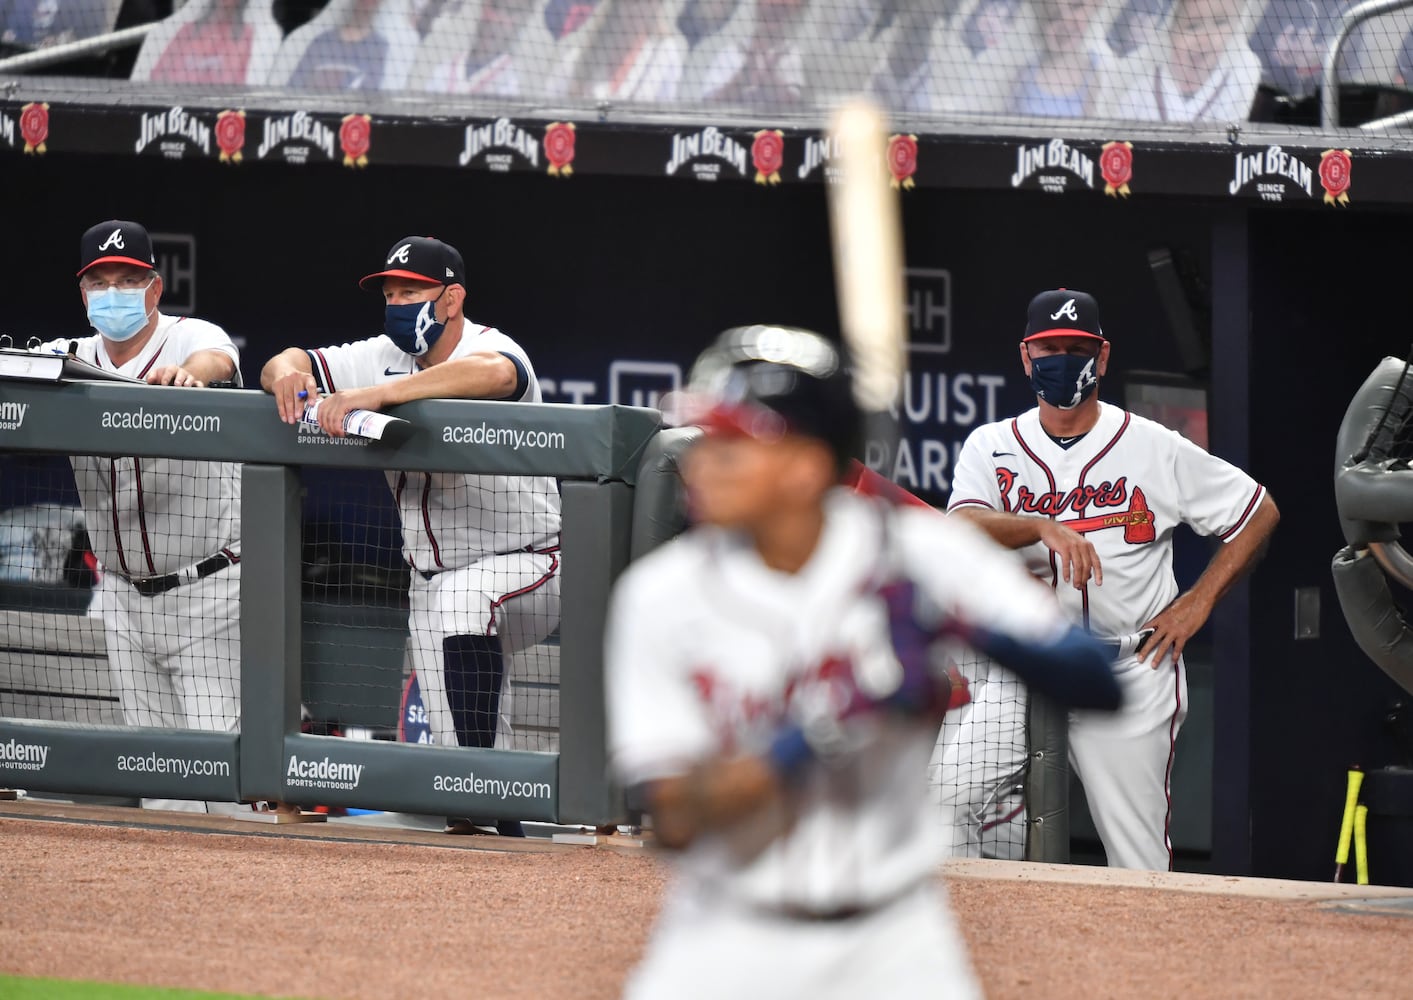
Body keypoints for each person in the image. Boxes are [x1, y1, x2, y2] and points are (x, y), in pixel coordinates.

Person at [605, 325, 1121, 999]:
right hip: (723, 937)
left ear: (805, 467)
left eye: (735, 445)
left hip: (895, 943)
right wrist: (836, 716)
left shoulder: (916, 557)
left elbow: (1098, 683)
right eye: (707, 440)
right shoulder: (661, 596)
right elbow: (674, 818)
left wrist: (966, 625)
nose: (705, 463)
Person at [943, 288, 1279, 870]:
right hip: (1023, 665)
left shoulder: (1154, 446)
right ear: (1026, 356)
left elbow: (1257, 510)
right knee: (947, 803)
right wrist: (1038, 525)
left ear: (1102, 357)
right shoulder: (992, 444)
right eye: (1049, 346)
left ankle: (1149, 964)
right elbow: (963, 525)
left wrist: (1199, 602)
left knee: (1137, 860)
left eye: (1078, 347)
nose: (1062, 358)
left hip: (1127, 666)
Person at [260, 236, 561, 837]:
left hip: (532, 564)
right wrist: (289, 374)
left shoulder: (487, 346)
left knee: (464, 601)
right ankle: (497, 846)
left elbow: (499, 375)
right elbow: (282, 359)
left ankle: (489, 807)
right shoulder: (378, 353)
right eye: (391, 292)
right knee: (457, 767)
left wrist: (379, 394)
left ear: (452, 299)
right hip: (433, 579)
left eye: (412, 291)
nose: (397, 303)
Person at [39, 220, 245, 814]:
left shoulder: (187, 337)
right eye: (99, 281)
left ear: (154, 289)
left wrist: (190, 376)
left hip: (208, 590)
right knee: (160, 790)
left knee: (219, 781)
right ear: (83, 294)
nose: (113, 292)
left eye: (127, 280)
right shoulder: (66, 358)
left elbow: (219, 357)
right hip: (123, 598)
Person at [1108, 0, 1263, 122]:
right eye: (1193, 26)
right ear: (1169, 30)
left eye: (1220, 23)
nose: (1205, 39)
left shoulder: (1243, 78)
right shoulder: (1139, 90)